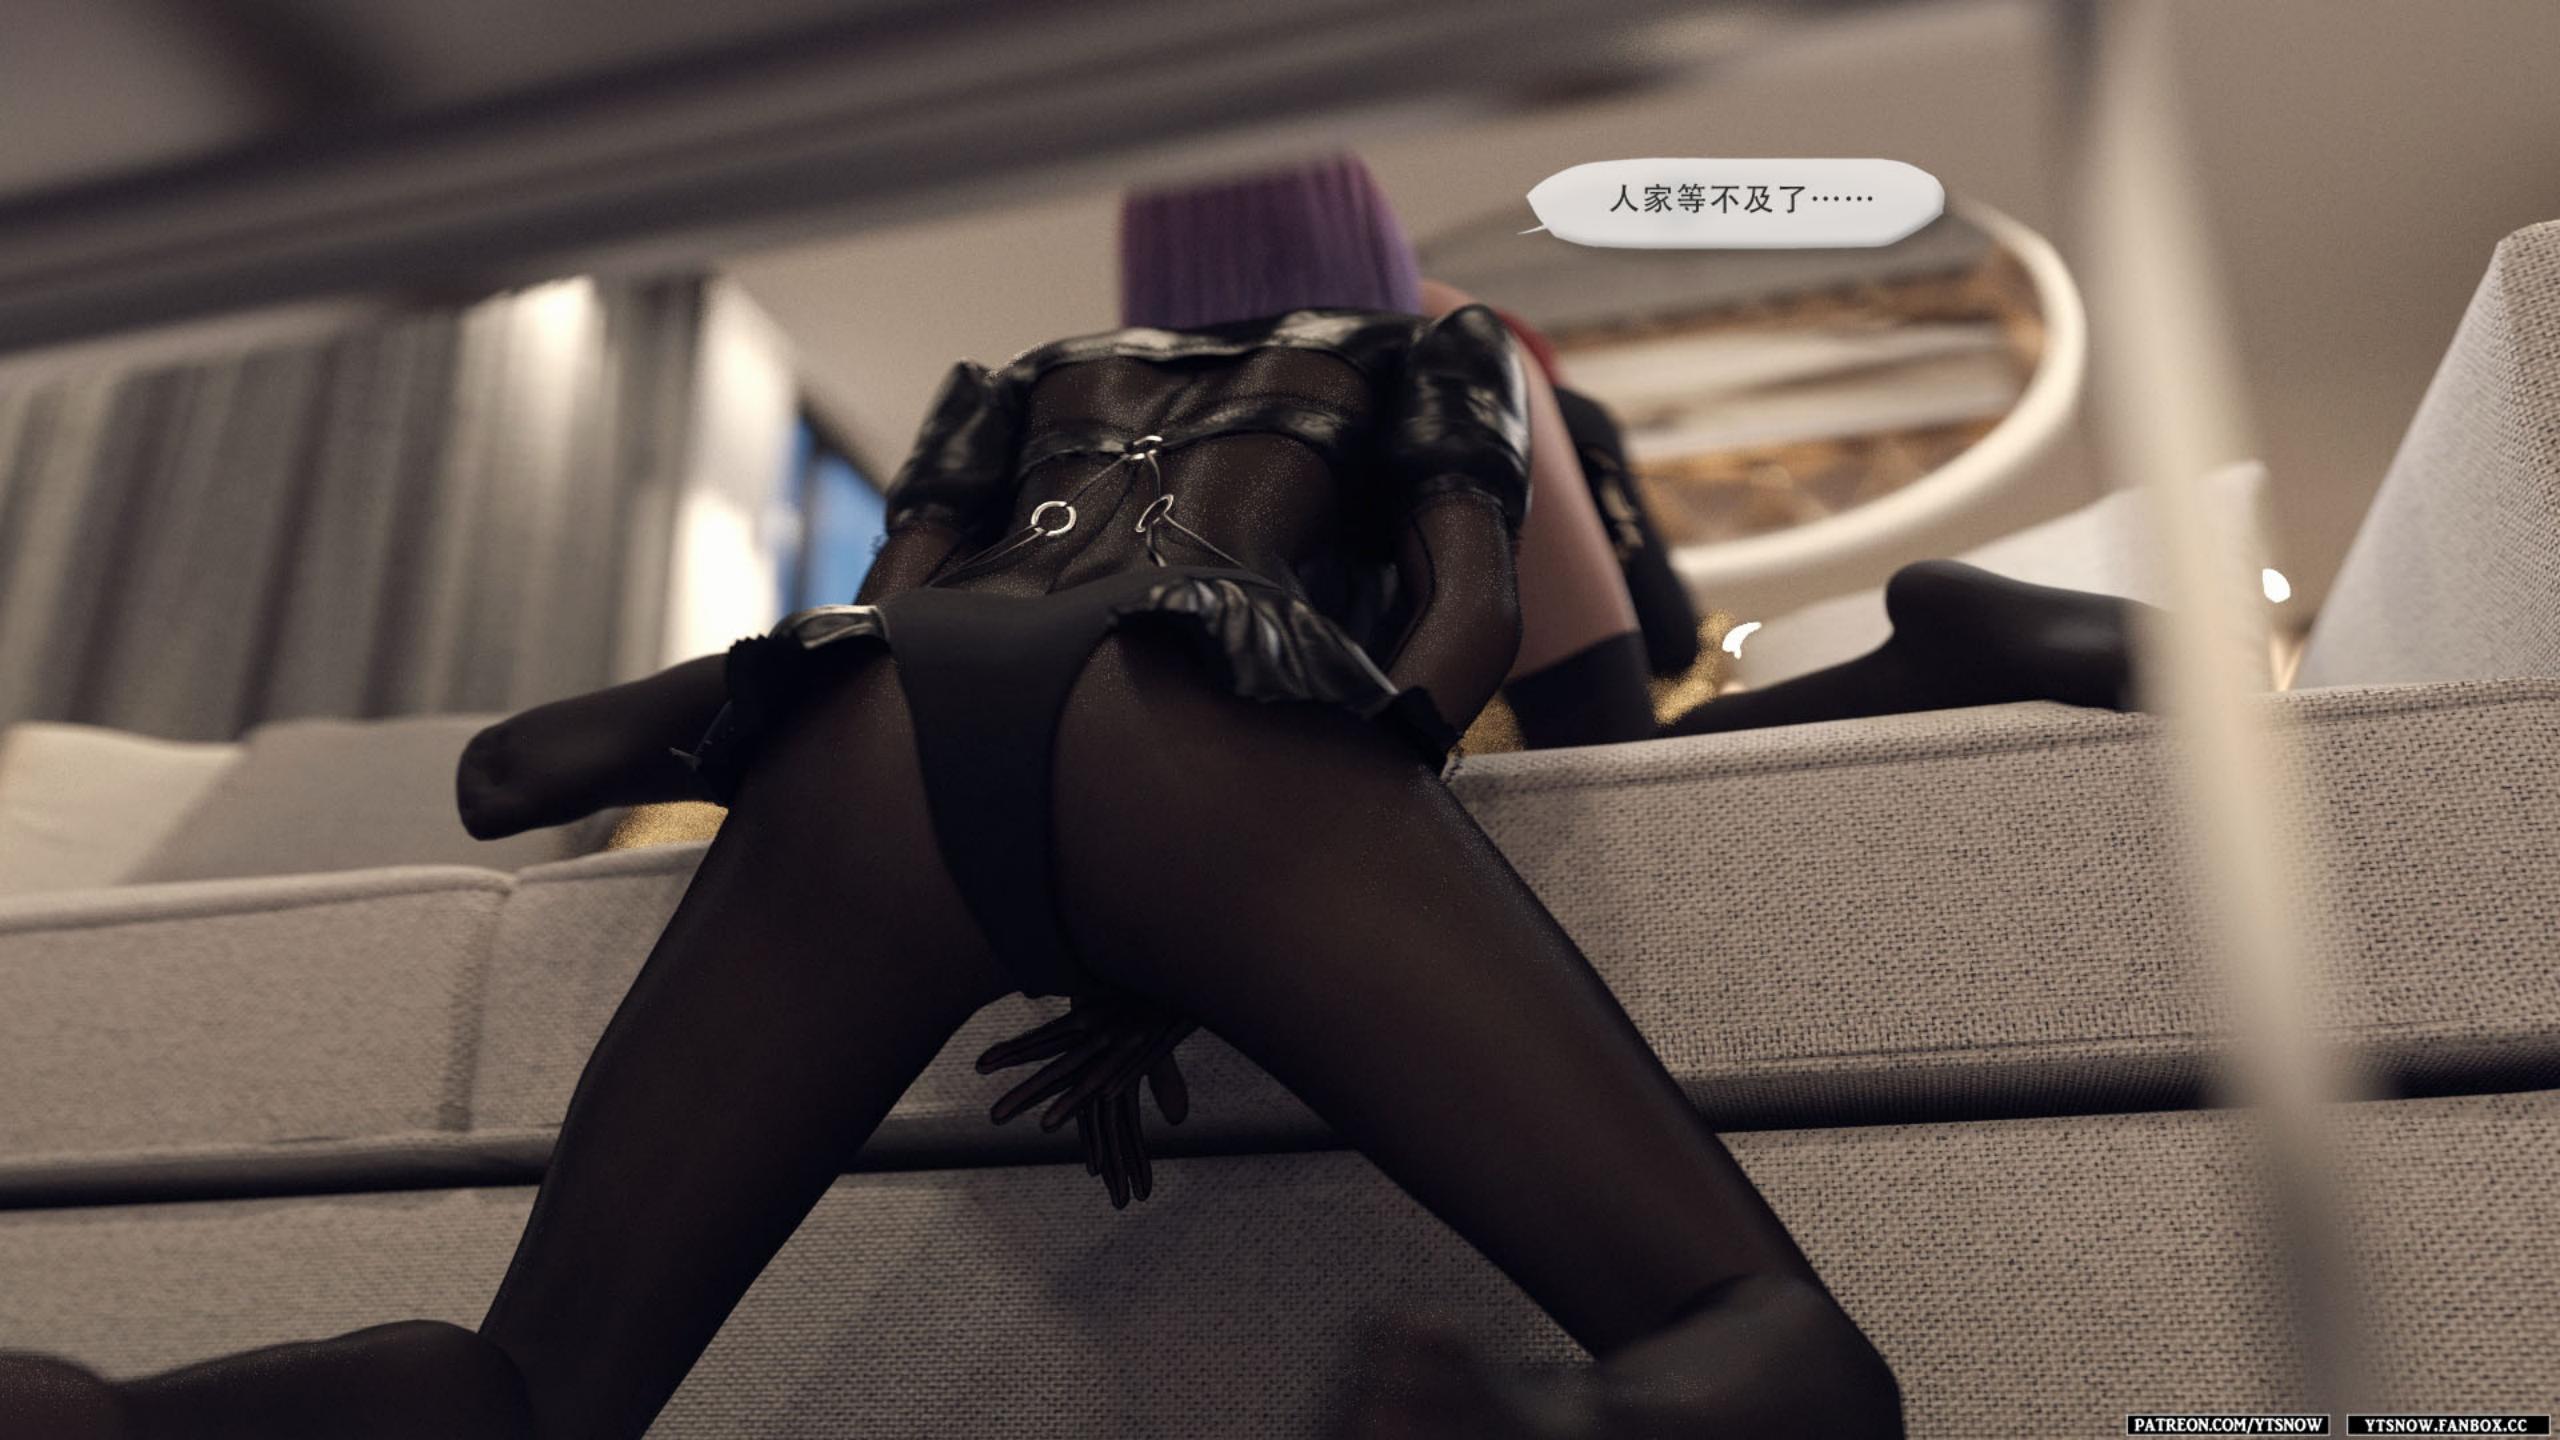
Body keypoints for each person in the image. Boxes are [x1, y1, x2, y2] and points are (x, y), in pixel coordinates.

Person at [0, 154, 1902, 1439]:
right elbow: (1469, 623)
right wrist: (1306, 873)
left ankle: (109, 1415)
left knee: (538, 1387)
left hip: (882, 731)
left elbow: (888, 610)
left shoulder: (1029, 372)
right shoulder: (1436, 346)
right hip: (1192, 717)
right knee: (1756, 1329)